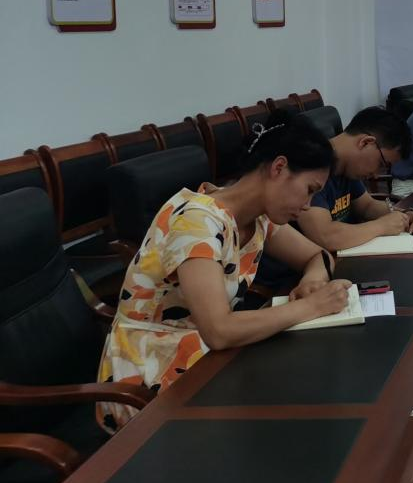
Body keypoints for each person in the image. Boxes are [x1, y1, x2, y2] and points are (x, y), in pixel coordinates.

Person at [97, 111, 352, 430]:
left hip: (206, 359)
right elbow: (218, 331)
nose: (307, 204)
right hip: (151, 375)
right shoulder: (197, 222)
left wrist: (313, 280)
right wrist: (311, 306)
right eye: (309, 189)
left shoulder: (258, 218)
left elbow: (317, 255)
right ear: (278, 168)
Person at [295, 106, 413, 251]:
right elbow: (326, 236)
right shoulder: (312, 165)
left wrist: (406, 215)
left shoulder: (347, 167)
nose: (376, 175)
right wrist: (381, 226)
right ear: (366, 142)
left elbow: (367, 207)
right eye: (381, 164)